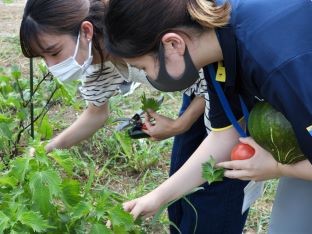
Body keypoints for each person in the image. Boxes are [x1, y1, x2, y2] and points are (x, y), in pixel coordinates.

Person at [19, 1, 249, 233]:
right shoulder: (96, 63)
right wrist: (50, 146)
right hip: (197, 94)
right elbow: (96, 114)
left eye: (54, 52)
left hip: (223, 93)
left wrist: (182, 123)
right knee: (180, 193)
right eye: (43, 58)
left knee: (216, 190)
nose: (52, 66)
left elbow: (214, 72)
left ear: (87, 31)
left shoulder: (136, 34)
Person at [103, 0, 312, 233]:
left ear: (173, 43)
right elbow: (225, 135)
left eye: (143, 67)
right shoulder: (218, 45)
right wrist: (157, 197)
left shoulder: (279, 66)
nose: (148, 77)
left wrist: (278, 167)